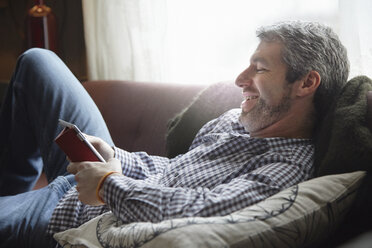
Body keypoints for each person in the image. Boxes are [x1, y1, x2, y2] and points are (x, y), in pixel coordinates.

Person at [0, 21, 349, 247]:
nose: (240, 79)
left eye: (259, 68)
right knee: (37, 61)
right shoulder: (234, 119)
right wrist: (113, 156)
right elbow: (170, 170)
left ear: (306, 83)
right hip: (97, 176)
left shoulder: (286, 167)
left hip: (73, 210)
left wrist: (106, 185)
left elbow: (199, 209)